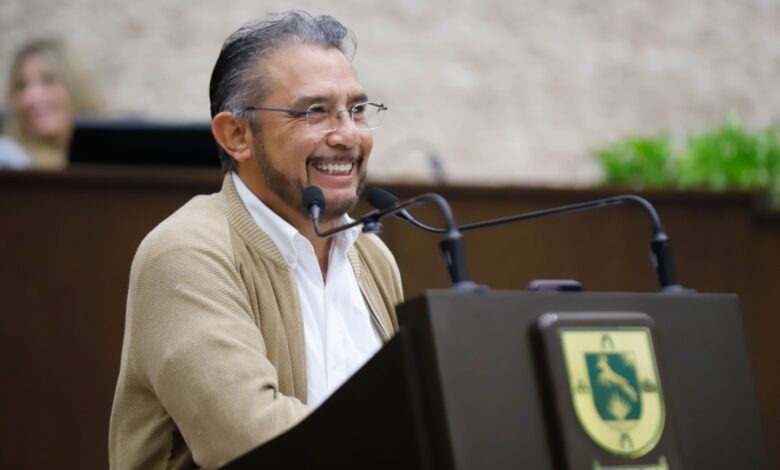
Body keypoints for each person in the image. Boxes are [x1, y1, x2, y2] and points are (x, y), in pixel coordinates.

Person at [109, 11, 403, 469]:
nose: (348, 135)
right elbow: (252, 441)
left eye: (357, 110)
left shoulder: (371, 256)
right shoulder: (186, 253)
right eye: (315, 111)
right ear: (237, 136)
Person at [0, 39, 102, 170]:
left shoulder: (109, 159)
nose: (31, 97)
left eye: (48, 80)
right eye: (21, 86)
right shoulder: (9, 159)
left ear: (74, 88)